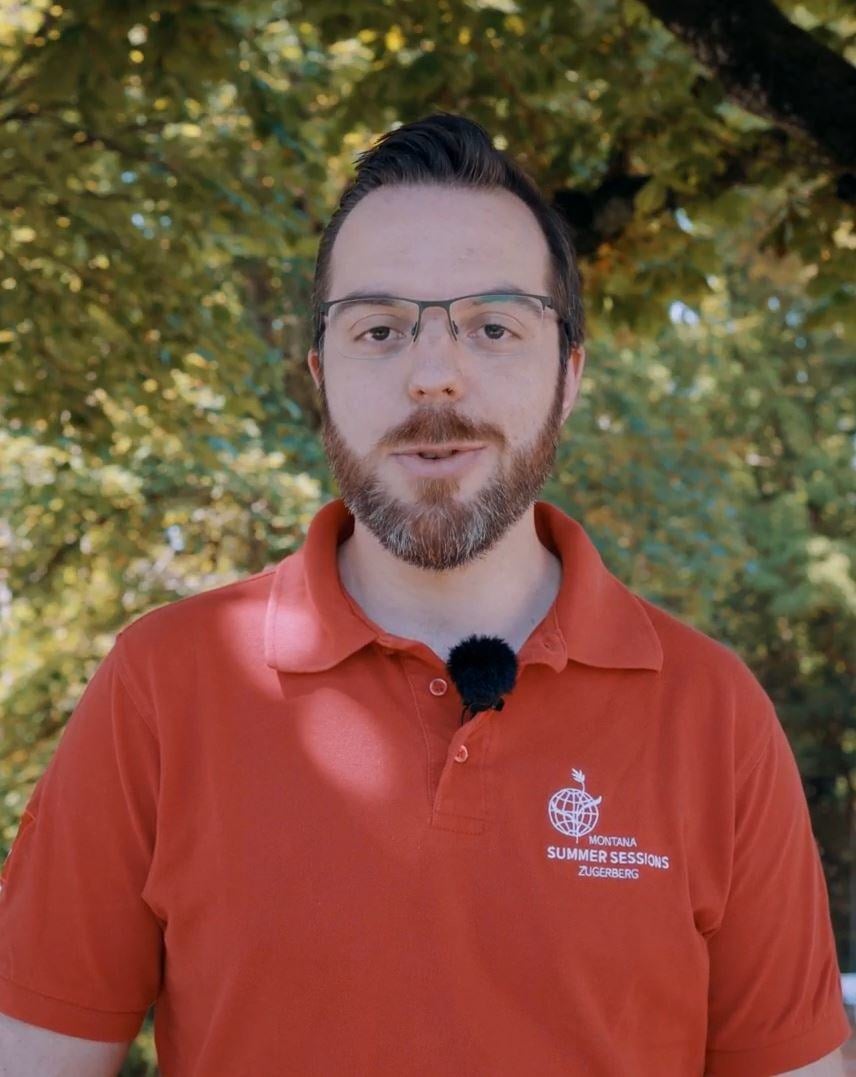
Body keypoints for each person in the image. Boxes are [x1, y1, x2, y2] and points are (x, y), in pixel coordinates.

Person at [0, 113, 850, 1076]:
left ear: (569, 376)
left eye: (493, 324)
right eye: (379, 327)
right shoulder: (162, 686)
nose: (434, 374)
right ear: (322, 376)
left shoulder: (716, 716)